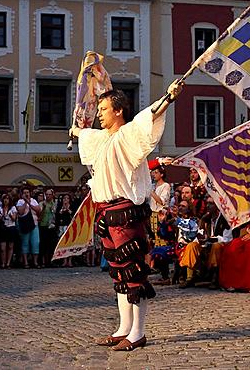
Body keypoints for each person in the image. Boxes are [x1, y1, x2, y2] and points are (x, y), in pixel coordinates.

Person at [71, 84, 175, 352]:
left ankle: (138, 333)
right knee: (119, 274)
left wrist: (169, 96)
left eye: (104, 109)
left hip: (126, 211)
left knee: (133, 273)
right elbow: (87, 135)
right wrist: (77, 130)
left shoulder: (130, 135)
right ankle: (123, 329)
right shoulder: (102, 138)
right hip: (107, 212)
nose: (100, 114)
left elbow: (148, 117)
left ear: (118, 111)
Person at [15, 188, 42, 269]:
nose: (26, 194)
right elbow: (20, 212)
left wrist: (29, 203)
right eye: (24, 192)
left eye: (27, 192)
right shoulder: (20, 201)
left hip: (34, 224)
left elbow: (38, 210)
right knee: (25, 242)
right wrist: (25, 202)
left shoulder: (34, 200)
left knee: (36, 242)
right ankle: (26, 262)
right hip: (25, 225)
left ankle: (35, 262)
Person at [0, 194, 17, 269]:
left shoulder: (13, 208)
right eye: (5, 199)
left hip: (11, 227)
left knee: (10, 246)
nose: (6, 200)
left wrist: (10, 214)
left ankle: (8, 263)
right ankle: (3, 263)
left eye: (7, 199)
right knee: (3, 248)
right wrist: (2, 215)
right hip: (3, 228)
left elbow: (14, 218)